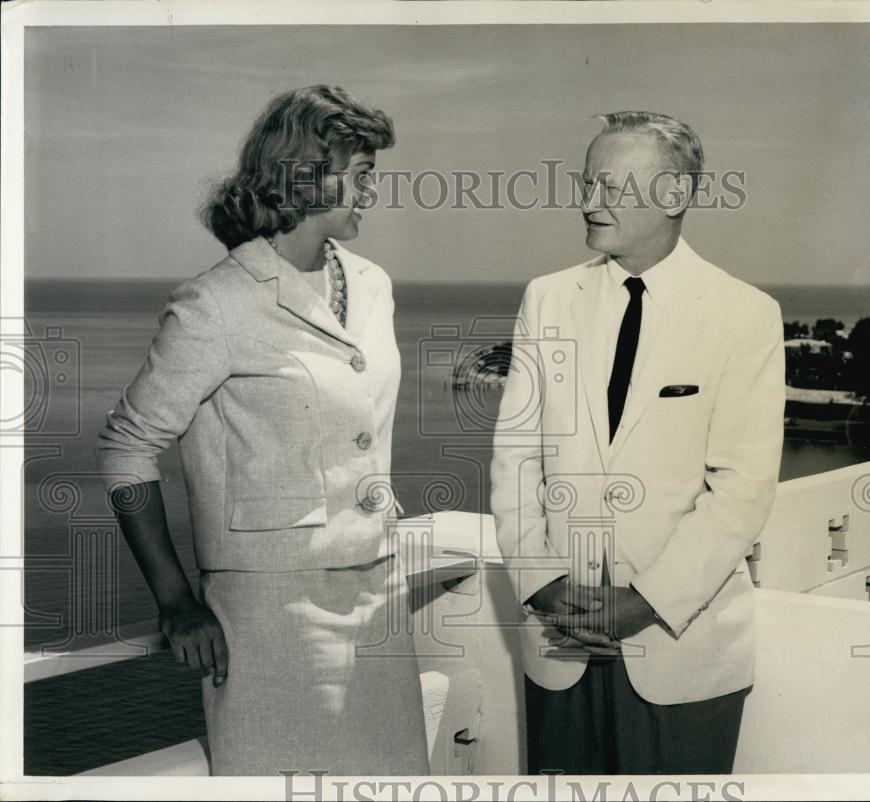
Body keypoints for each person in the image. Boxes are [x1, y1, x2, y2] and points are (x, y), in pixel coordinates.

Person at [97, 85, 429, 776]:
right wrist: (175, 600)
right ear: (304, 173)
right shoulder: (217, 304)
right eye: (362, 172)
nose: (373, 190)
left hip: (378, 598)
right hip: (272, 617)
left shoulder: (372, 286)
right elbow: (127, 448)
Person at [490, 111, 785, 774]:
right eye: (586, 182)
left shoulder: (745, 314)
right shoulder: (546, 299)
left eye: (610, 187)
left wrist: (646, 602)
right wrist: (540, 583)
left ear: (675, 196)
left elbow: (742, 489)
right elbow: (515, 457)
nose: (588, 202)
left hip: (683, 654)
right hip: (557, 645)